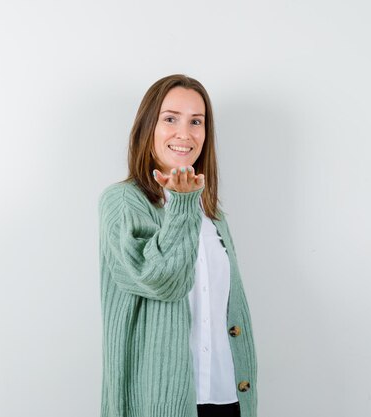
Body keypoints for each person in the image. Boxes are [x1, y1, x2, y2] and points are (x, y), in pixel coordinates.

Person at [98, 74, 257, 417]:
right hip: (157, 402)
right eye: (170, 119)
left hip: (226, 395)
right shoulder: (122, 202)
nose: (185, 133)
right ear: (147, 128)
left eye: (196, 121)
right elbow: (161, 280)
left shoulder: (212, 213)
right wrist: (182, 206)